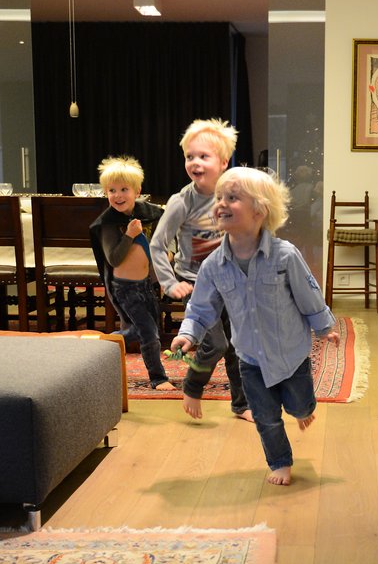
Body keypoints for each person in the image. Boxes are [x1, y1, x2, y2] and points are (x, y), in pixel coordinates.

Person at [170, 167, 339, 486]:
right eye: (219, 197)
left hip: (292, 354)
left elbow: (308, 294)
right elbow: (202, 307)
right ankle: (279, 461)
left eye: (232, 197)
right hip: (249, 358)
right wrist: (187, 334)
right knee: (265, 417)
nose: (220, 203)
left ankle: (304, 409)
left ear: (260, 210)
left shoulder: (285, 256)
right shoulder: (213, 265)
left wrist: (323, 327)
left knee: (300, 405)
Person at [150, 118, 251, 421]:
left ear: (222, 162)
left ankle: (242, 404)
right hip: (194, 283)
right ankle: (193, 386)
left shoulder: (233, 194)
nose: (194, 162)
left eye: (203, 156)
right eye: (189, 156)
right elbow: (157, 244)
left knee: (238, 344)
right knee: (216, 343)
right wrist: (170, 284)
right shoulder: (181, 202)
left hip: (230, 283)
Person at [88, 155, 174, 391]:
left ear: (137, 191)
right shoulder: (107, 223)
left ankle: (103, 344)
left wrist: (170, 253)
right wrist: (129, 235)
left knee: (142, 330)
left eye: (124, 189)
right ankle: (158, 379)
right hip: (124, 288)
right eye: (111, 190)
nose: (117, 195)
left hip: (146, 285)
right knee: (149, 334)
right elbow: (114, 258)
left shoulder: (152, 213)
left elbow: (169, 234)